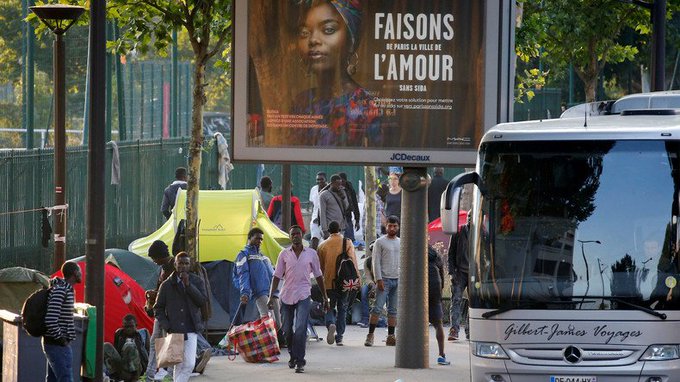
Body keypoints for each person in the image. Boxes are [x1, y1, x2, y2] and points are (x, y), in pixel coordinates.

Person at [291, 0, 383, 147]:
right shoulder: (300, 102)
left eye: (328, 29)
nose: (313, 40)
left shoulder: (368, 105)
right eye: (305, 33)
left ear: (351, 41)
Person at [268, 225, 329, 373]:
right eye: (293, 234)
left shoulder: (311, 254)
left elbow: (319, 276)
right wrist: (271, 297)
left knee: (301, 328)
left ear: (302, 235)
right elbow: (276, 277)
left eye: (298, 233)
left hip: (304, 294)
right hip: (287, 295)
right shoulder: (284, 254)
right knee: (287, 330)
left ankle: (300, 361)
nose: (295, 236)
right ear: (290, 237)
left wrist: (325, 297)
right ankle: (292, 355)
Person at [154, 252, 207, 382]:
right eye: (180, 263)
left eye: (186, 263)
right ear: (175, 264)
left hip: (191, 327)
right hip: (174, 328)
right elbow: (158, 308)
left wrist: (188, 285)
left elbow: (201, 301)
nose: (183, 266)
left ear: (190, 265)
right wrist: (167, 325)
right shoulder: (166, 285)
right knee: (178, 364)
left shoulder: (196, 281)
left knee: (189, 363)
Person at [316, 220, 360, 346]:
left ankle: (331, 324)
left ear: (328, 231)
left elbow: (320, 268)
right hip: (345, 282)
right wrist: (357, 280)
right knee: (343, 308)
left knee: (328, 306)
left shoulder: (322, 245)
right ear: (339, 230)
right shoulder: (347, 242)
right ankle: (339, 337)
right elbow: (353, 263)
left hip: (329, 283)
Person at [43, 261, 82, 382]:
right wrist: (61, 340)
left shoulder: (65, 289)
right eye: (79, 271)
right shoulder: (61, 290)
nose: (81, 273)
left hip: (56, 344)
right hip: (57, 345)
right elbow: (50, 319)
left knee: (53, 379)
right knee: (65, 379)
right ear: (75, 273)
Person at [365, 215, 400, 347]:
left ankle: (391, 336)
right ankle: (370, 335)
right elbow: (375, 262)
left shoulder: (400, 242)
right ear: (386, 226)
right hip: (384, 279)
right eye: (390, 226)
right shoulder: (380, 242)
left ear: (398, 227)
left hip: (397, 279)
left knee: (393, 310)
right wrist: (378, 279)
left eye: (395, 226)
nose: (392, 228)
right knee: (378, 308)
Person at [235, 227, 281, 326]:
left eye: (261, 239)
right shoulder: (243, 255)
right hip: (260, 292)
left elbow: (273, 275)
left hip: (272, 293)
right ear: (249, 238)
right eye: (257, 238)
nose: (260, 241)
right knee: (269, 321)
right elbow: (243, 274)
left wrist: (275, 292)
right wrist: (245, 292)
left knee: (279, 323)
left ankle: (278, 341)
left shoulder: (263, 256)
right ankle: (269, 341)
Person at [104, 314, 150, 382]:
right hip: (123, 366)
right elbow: (116, 351)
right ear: (123, 326)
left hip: (137, 369)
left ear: (136, 326)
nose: (128, 329)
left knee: (129, 345)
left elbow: (147, 353)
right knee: (106, 346)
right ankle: (115, 376)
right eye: (126, 327)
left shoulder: (142, 334)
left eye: (131, 326)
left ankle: (134, 379)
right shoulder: (119, 334)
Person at [428, 246, 451, 366]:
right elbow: (442, 275)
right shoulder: (434, 253)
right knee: (438, 324)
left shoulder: (413, 252)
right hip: (435, 287)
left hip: (420, 290)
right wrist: (440, 292)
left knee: (416, 324)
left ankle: (415, 354)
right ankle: (441, 355)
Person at [448, 215, 470, 341]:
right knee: (456, 300)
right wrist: (452, 272)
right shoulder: (458, 232)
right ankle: (454, 329)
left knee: (474, 303)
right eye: (470, 217)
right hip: (459, 272)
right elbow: (451, 252)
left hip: (474, 274)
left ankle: (470, 331)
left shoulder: (482, 233)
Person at [319, 174, 348, 239]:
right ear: (331, 183)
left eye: (340, 184)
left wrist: (343, 198)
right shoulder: (324, 195)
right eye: (337, 184)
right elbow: (322, 213)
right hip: (330, 228)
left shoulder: (342, 192)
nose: (339, 186)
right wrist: (324, 230)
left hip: (341, 227)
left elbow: (346, 207)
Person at [338, 172, 361, 242]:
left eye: (342, 181)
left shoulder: (350, 189)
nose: (341, 183)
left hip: (347, 217)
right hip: (337, 217)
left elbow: (355, 204)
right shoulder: (334, 189)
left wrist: (357, 220)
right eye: (339, 181)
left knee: (349, 240)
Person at [308, 172, 328, 250]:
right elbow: (312, 204)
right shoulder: (314, 189)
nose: (319, 181)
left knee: (326, 240)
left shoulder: (329, 189)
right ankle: (312, 258)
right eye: (317, 179)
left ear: (325, 179)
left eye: (321, 179)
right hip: (315, 219)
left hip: (326, 219)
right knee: (314, 239)